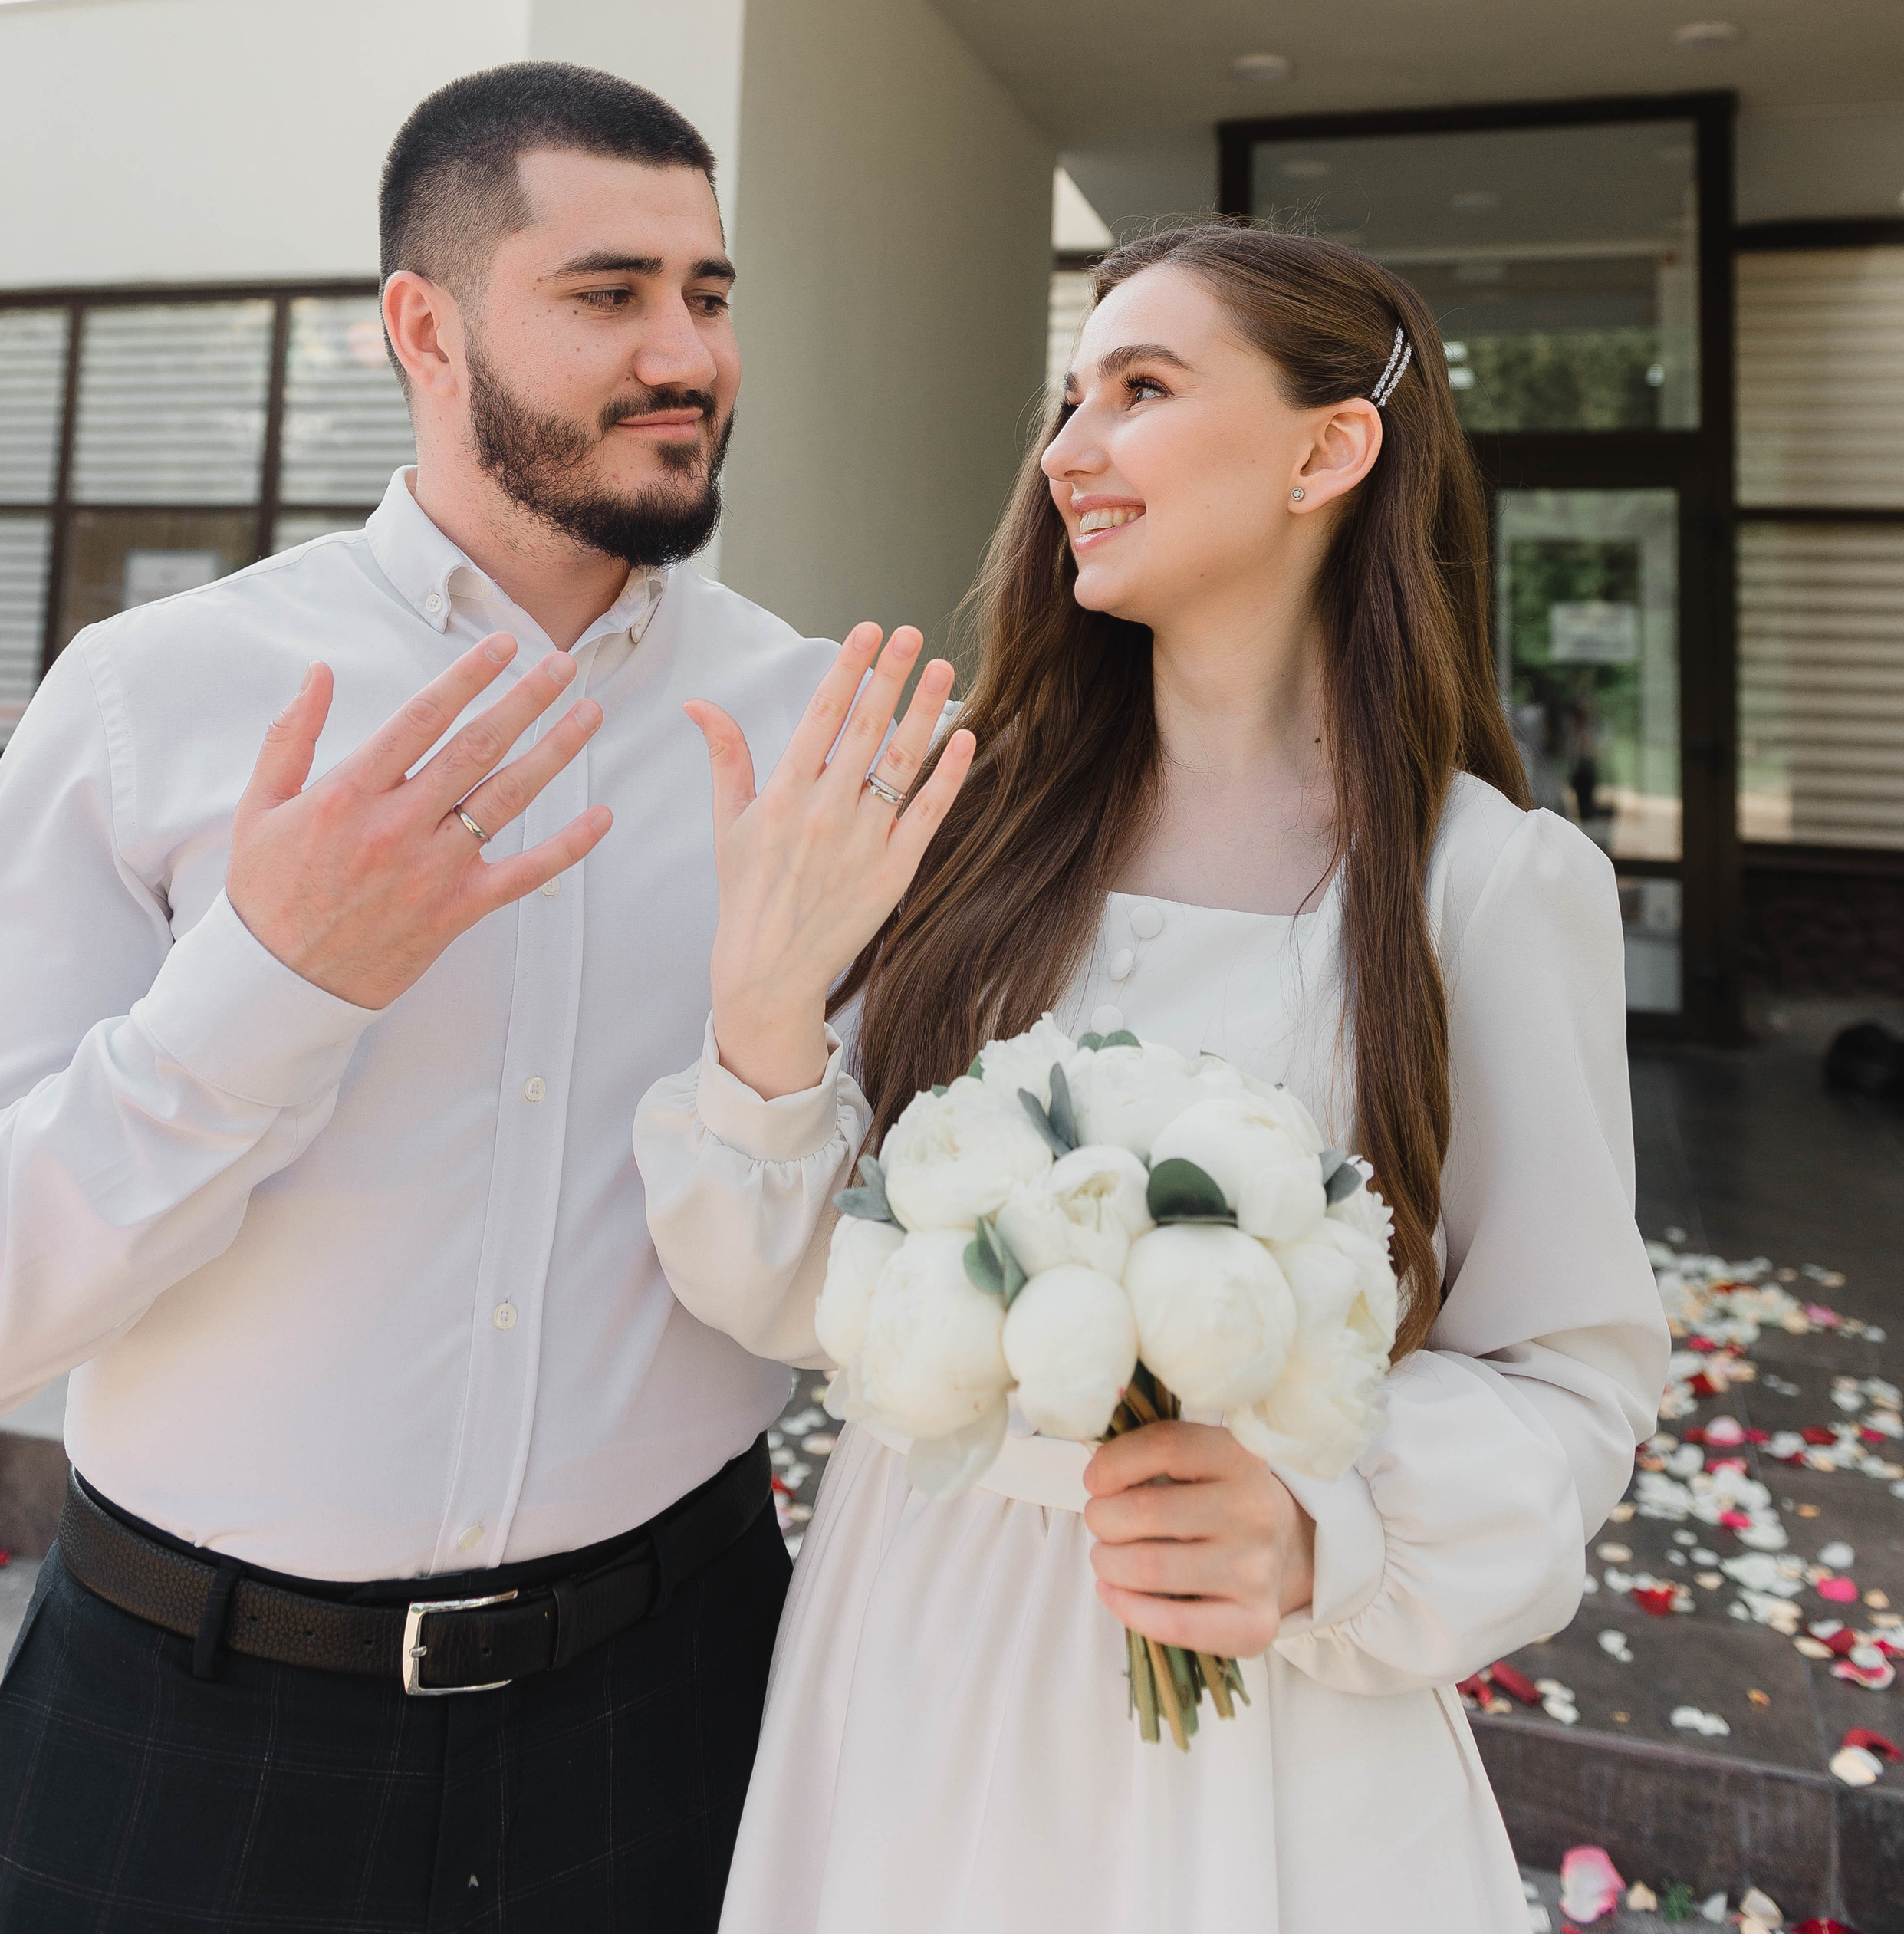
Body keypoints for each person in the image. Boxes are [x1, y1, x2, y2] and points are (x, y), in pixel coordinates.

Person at [636, 224, 1670, 1932]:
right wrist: (758, 1013)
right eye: (1067, 397)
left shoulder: (1483, 886)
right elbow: (787, 1293)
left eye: (1139, 388)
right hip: (909, 1642)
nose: (1064, 451)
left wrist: (1312, 1527)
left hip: (1247, 1709)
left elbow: (1572, 1382)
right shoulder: (962, 829)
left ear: (1327, 449)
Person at [0, 61, 841, 1932]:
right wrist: (267, 989)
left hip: (678, 1703)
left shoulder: (805, 726)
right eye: (608, 294)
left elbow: (857, 1241)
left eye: (711, 292)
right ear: (424, 330)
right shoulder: (155, 696)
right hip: (189, 1728)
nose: (686, 351)